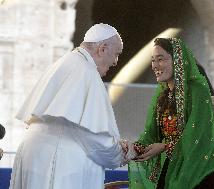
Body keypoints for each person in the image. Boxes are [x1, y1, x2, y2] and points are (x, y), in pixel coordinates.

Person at [9, 23, 128, 189]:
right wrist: (123, 153)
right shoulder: (86, 73)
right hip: (60, 164)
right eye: (116, 54)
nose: (115, 62)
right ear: (102, 48)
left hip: (35, 155)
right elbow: (95, 139)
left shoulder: (66, 63)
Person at [128, 38, 214, 189]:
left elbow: (200, 140)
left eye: (161, 59)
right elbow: (152, 135)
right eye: (153, 60)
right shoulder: (164, 99)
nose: (155, 65)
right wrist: (133, 148)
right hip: (173, 173)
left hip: (200, 177)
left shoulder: (202, 98)